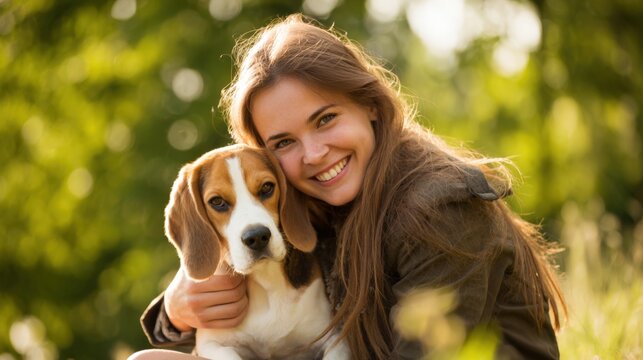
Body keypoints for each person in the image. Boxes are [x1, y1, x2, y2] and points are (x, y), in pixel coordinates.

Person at [135, 13, 566, 359]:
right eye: (284, 142)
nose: (314, 154)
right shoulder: (306, 199)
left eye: (325, 119)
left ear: (370, 105)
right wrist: (175, 310)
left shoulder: (444, 207)